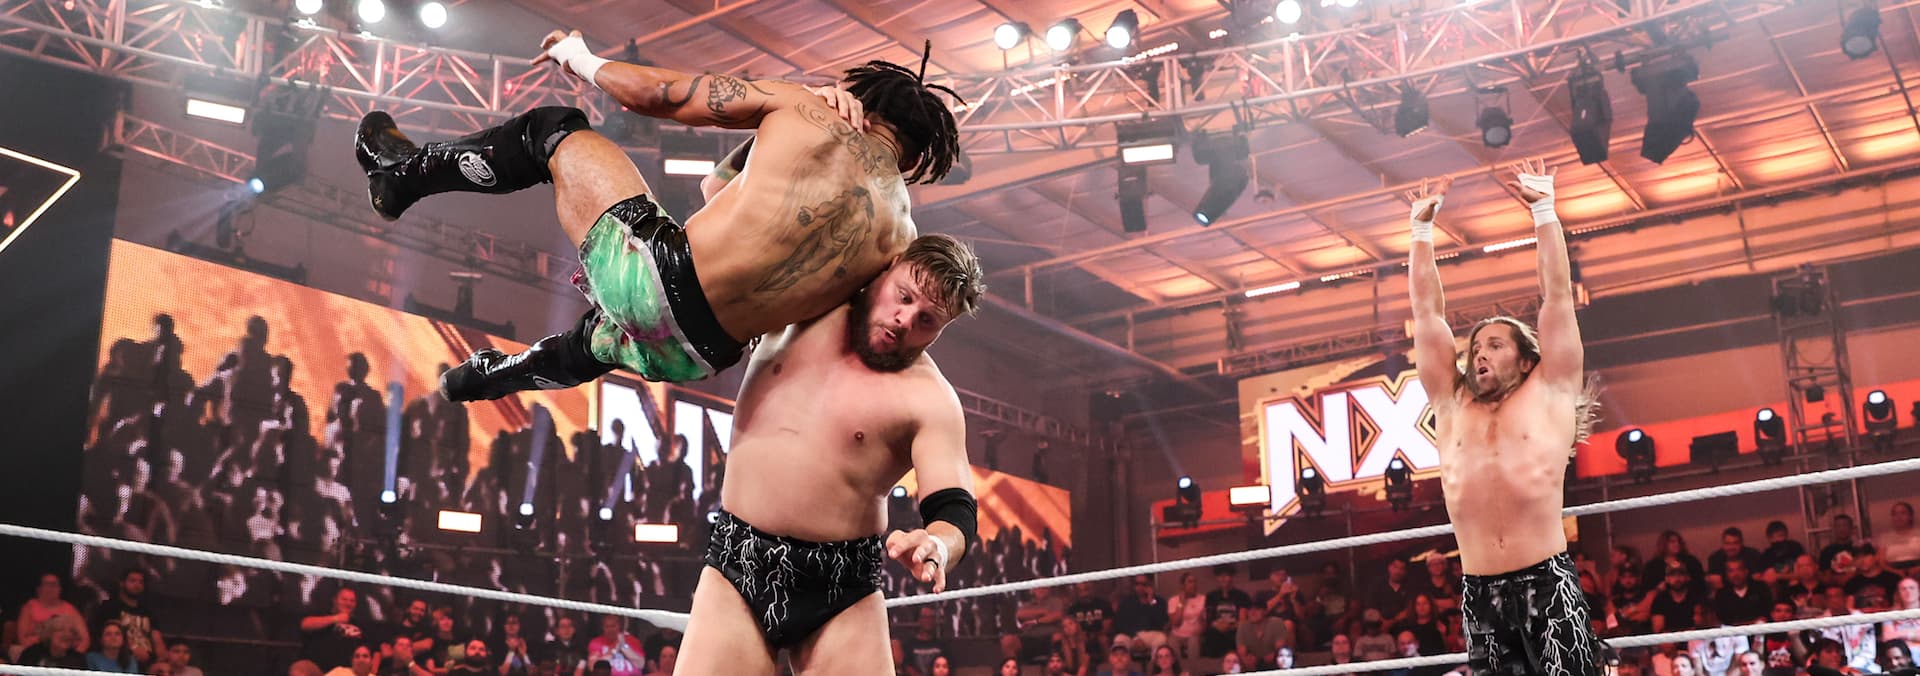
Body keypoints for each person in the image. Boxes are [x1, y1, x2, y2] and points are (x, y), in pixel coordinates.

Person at [359, 31, 961, 398]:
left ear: (859, 100)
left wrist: (577, 56)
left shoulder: (808, 109)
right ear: (917, 160)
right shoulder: (900, 239)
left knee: (551, 132)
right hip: (698, 357)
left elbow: (656, 95)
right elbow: (717, 190)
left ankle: (399, 176)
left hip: (653, 280)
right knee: (599, 342)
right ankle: (498, 374)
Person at [673, 229, 984, 676]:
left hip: (841, 587)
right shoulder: (802, 303)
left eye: (927, 321)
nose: (904, 320)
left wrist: (936, 544)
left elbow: (954, 509)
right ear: (887, 268)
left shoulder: (930, 399)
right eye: (904, 297)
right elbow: (736, 210)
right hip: (738, 561)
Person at [1407, 162, 1604, 676]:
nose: (1480, 354)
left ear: (1526, 358)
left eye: (1495, 345)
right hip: (1480, 590)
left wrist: (1544, 211)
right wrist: (1421, 232)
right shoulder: (1452, 404)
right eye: (1475, 347)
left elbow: (1557, 296)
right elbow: (1427, 315)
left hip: (1548, 580)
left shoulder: (1549, 389)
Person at [91, 568, 166, 665]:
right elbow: (108, 635)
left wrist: (162, 660)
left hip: (149, 663)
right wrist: (134, 648)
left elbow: (157, 639)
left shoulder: (148, 612)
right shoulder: (110, 607)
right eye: (133, 581)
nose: (137, 585)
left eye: (141, 582)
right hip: (120, 659)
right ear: (122, 583)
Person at [14, 573, 90, 659]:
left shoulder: (70, 609)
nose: (51, 588)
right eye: (47, 584)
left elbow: (85, 639)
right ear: (39, 589)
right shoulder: (29, 607)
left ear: (60, 589)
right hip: (35, 654)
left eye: (54, 585)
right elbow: (22, 638)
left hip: (65, 656)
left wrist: (74, 656)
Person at [301, 587, 369, 671]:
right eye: (344, 599)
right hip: (317, 669)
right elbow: (305, 624)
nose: (348, 603)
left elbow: (372, 649)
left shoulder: (359, 624)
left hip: (348, 671)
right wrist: (336, 618)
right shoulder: (322, 614)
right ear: (335, 600)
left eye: (352, 601)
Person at [1116, 574, 1170, 656]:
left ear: (1150, 585)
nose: (1140, 587)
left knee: (1162, 638)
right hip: (1131, 635)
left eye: (1144, 584)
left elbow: (1160, 623)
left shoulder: (1159, 601)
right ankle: (1124, 664)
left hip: (1151, 634)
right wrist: (1135, 637)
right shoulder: (1127, 601)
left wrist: (1151, 601)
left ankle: (1154, 664)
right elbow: (1121, 624)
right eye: (1137, 584)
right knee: (1119, 639)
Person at [1712, 558, 1773, 626]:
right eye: (1731, 571)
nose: (1735, 574)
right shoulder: (1722, 594)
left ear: (1746, 571)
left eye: (1739, 569)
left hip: (1758, 629)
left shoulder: (1760, 588)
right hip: (1732, 631)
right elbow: (1721, 620)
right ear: (1726, 574)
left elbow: (1767, 613)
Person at [1843, 543, 1902, 610]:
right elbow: (1849, 608)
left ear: (1875, 556)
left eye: (1865, 556)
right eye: (1857, 558)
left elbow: (1900, 604)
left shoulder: (1893, 579)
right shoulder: (1851, 584)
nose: (1861, 561)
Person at [16, 615, 88, 668]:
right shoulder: (32, 652)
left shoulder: (78, 660)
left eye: (71, 631)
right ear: (49, 633)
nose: (67, 634)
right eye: (60, 630)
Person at [1166, 572, 1207, 662]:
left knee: (1193, 642)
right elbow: (1175, 623)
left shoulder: (1203, 599)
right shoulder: (1173, 600)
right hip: (1176, 634)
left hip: (1195, 635)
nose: (1194, 585)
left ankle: (1193, 669)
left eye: (1195, 582)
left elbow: (1205, 625)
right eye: (1190, 582)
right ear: (1182, 585)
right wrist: (1181, 603)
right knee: (1172, 643)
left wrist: (1201, 623)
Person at [1883, 578, 1920, 655]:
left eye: (1912, 588)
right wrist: (1913, 634)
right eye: (1903, 589)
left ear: (1918, 591)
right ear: (1898, 593)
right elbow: (1887, 637)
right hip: (1902, 655)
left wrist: (1899, 634)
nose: (1908, 591)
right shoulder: (1891, 614)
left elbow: (1892, 635)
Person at [1884, 503, 1920, 572]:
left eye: (1903, 513)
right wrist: (1897, 572)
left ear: (1911, 516)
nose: (1899, 517)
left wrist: (1916, 570)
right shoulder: (1885, 538)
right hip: (1893, 572)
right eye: (1895, 514)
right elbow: (1881, 562)